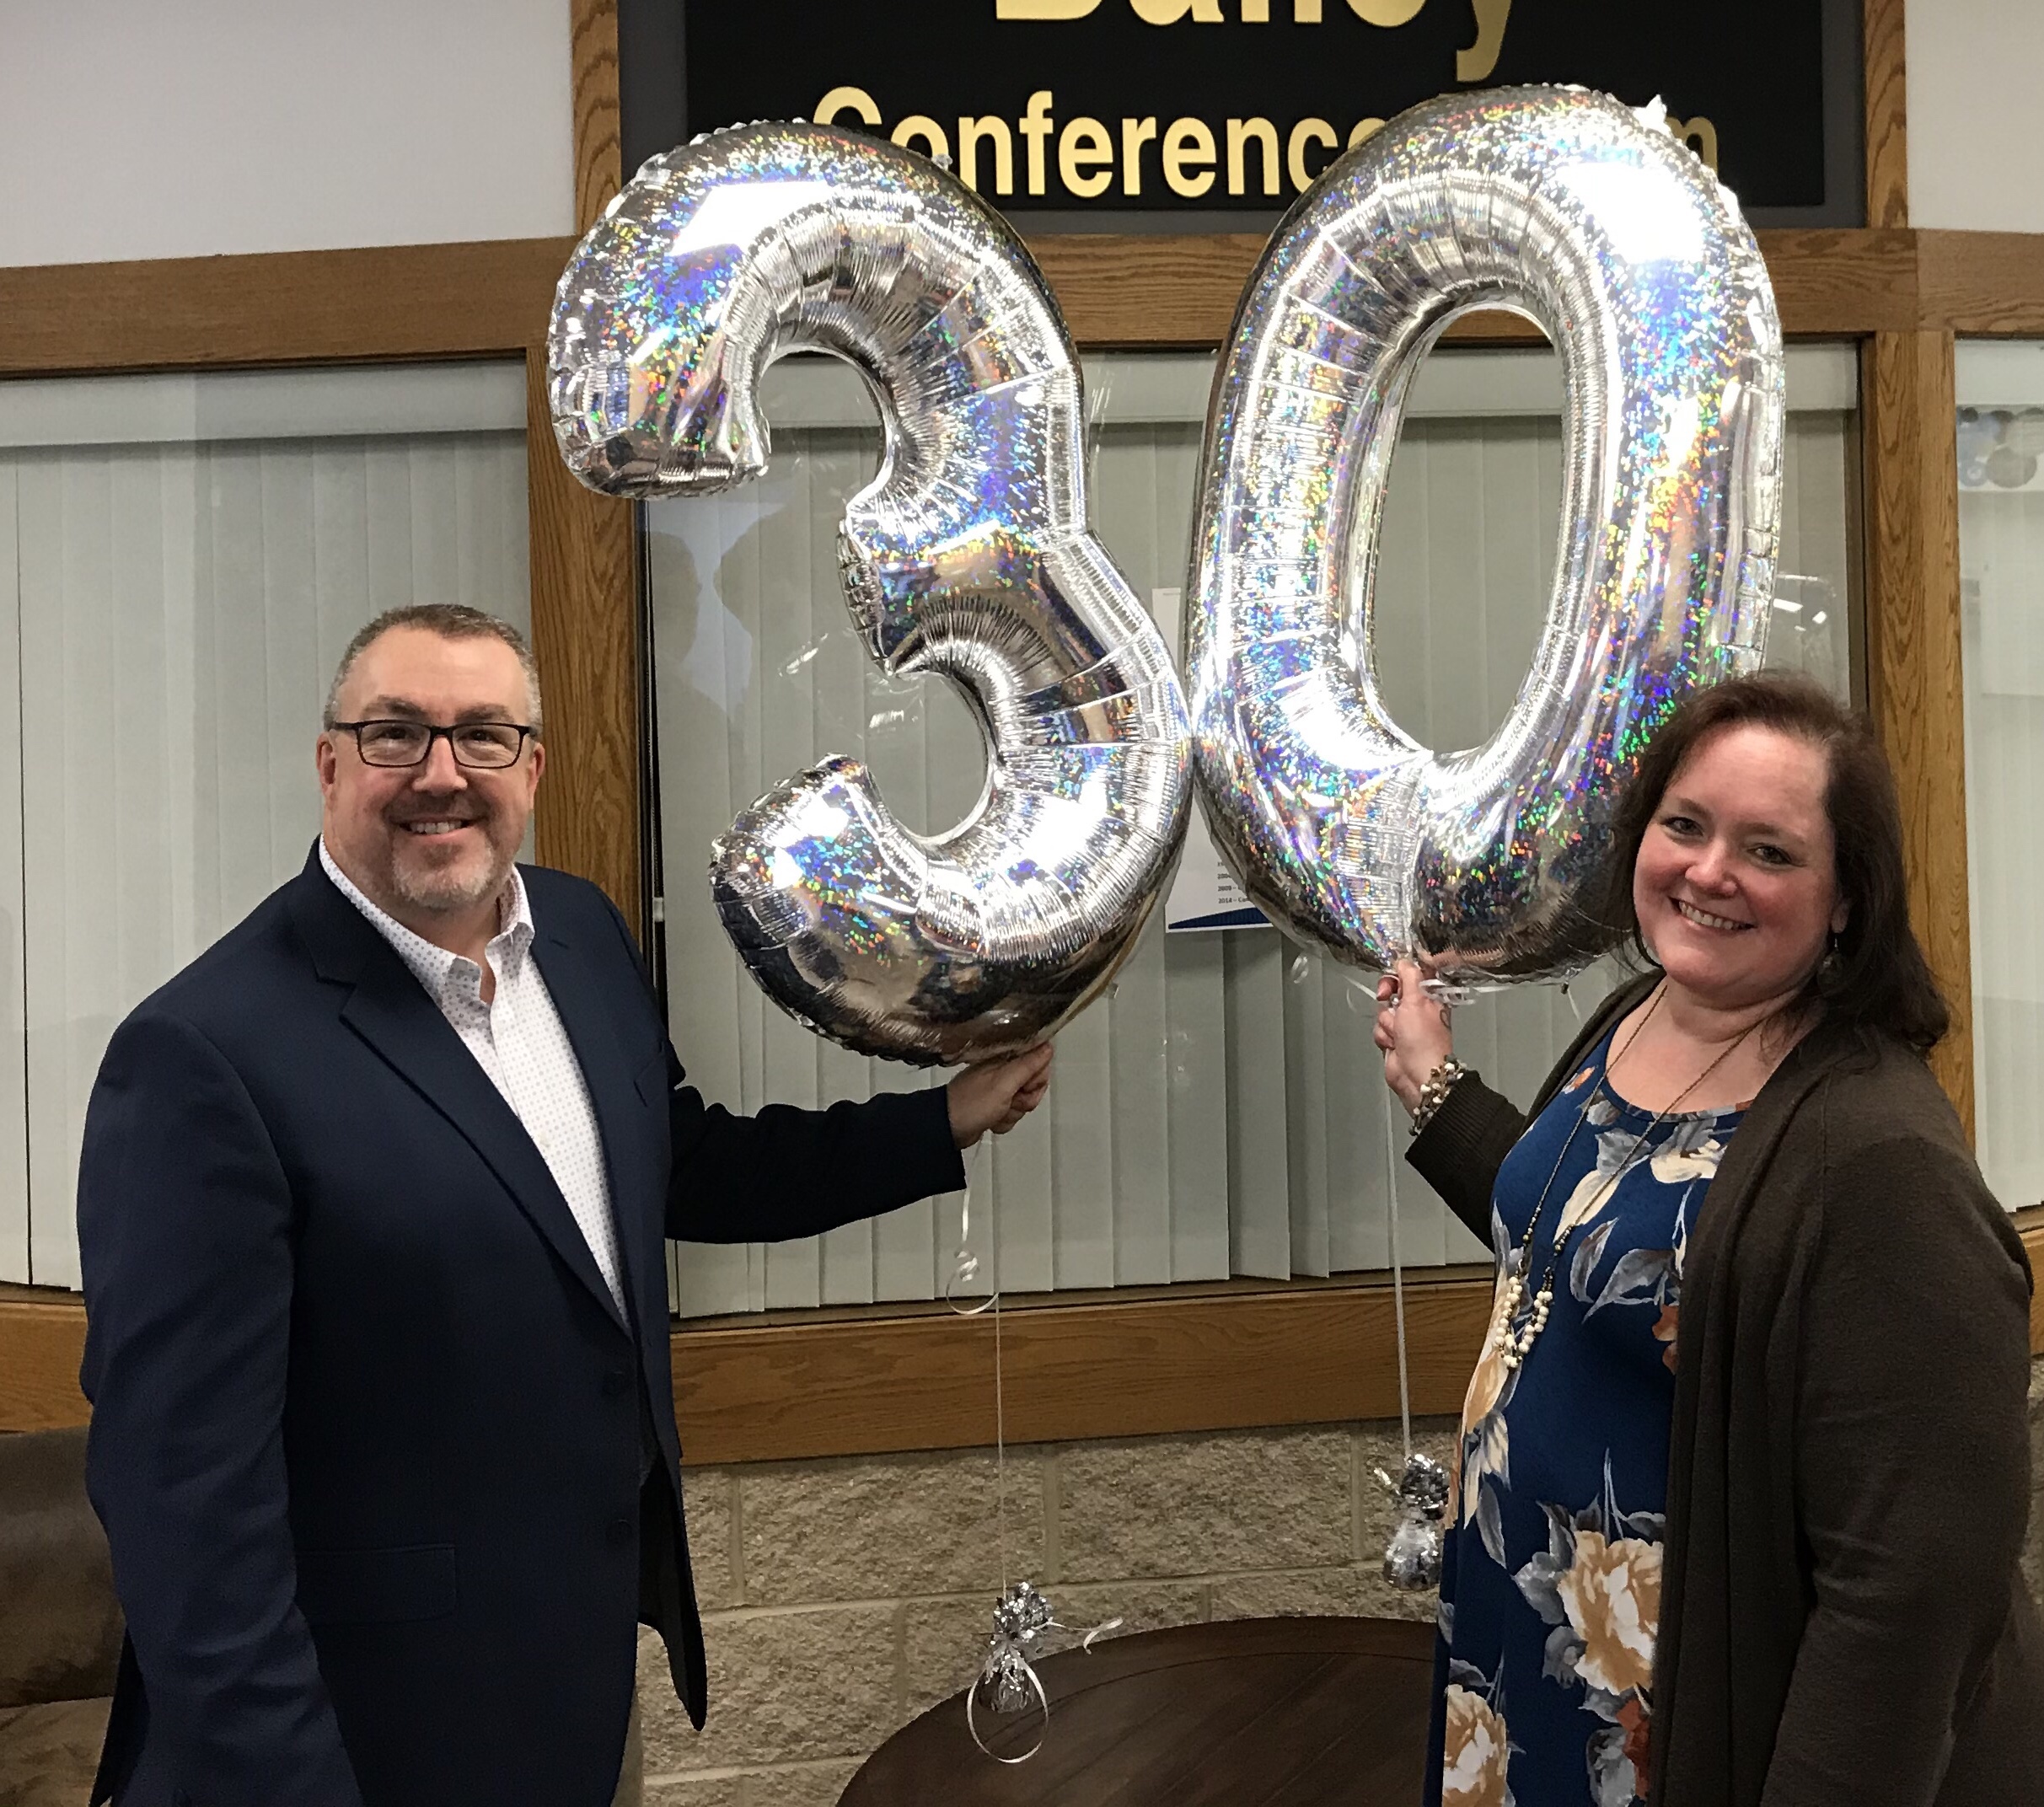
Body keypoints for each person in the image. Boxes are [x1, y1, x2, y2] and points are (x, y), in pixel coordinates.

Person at [75, 604, 1054, 1807]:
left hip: (566, 1671)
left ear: (531, 768)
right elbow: (184, 1509)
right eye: (396, 734)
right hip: (357, 1730)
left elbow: (679, 1165)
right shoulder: (203, 1056)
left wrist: (943, 1118)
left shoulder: (578, 937)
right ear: (329, 764)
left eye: (483, 735)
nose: (442, 774)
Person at [1373, 672, 2041, 1807]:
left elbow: (1913, 1587)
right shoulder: (1641, 1015)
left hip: (1686, 1724)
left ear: (1844, 899)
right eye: (1685, 826)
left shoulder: (1878, 1162)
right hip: (1531, 1658)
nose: (1709, 871)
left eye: (1768, 851)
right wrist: (1438, 1094)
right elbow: (1585, 1245)